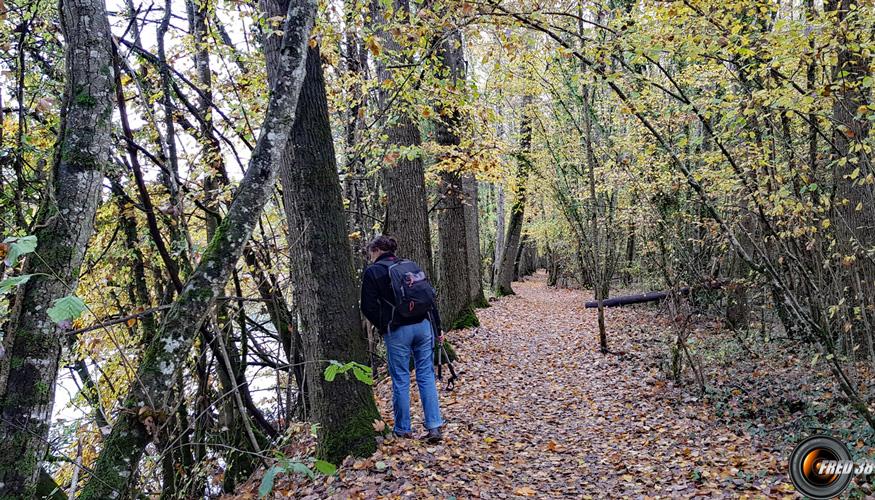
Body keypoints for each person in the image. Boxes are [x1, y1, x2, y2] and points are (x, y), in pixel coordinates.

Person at [360, 235, 444, 443]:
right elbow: (429, 299)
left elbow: (367, 306)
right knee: (426, 375)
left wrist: (383, 325)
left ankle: (403, 429)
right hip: (424, 326)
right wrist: (438, 328)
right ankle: (434, 426)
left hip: (398, 330)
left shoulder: (374, 272)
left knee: (401, 379)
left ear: (377, 250)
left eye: (371, 253)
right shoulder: (410, 266)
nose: (370, 257)